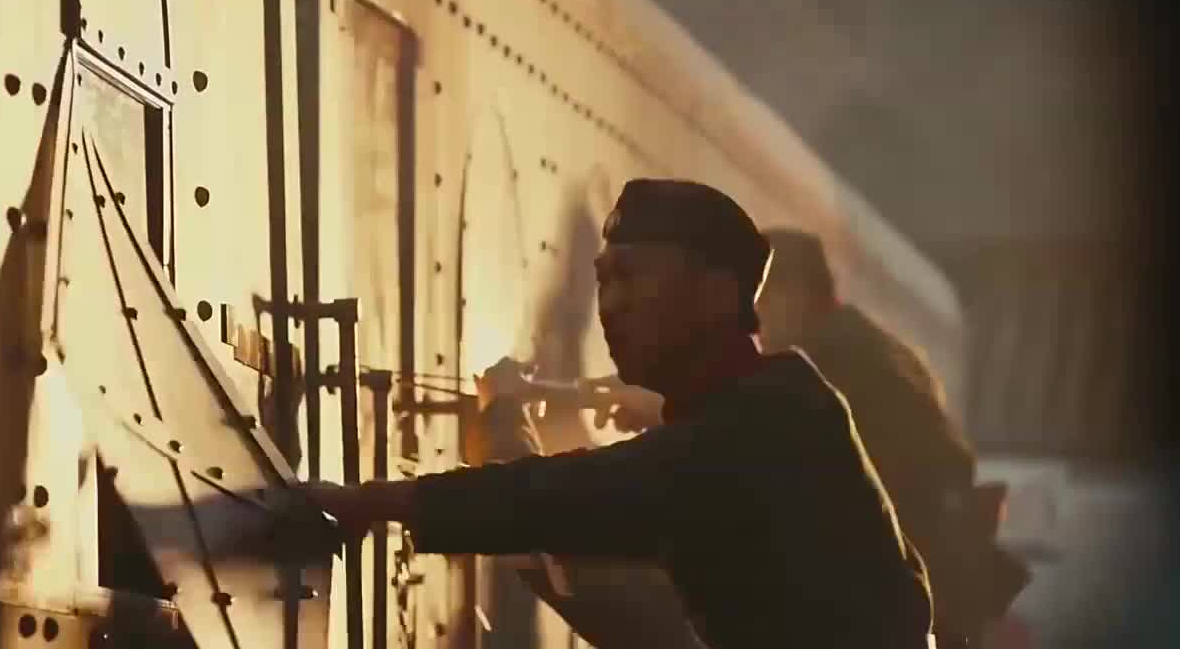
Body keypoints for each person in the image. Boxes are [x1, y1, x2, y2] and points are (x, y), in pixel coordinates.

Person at [296, 179, 936, 648]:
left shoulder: (765, 426)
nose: (610, 304)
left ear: (718, 296)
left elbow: (569, 496)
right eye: (604, 280)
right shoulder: (783, 407)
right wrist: (668, 413)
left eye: (632, 277)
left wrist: (384, 495)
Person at [755, 228, 1029, 648]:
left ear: (797, 293)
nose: (755, 319)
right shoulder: (864, 345)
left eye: (762, 298)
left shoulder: (836, 360)